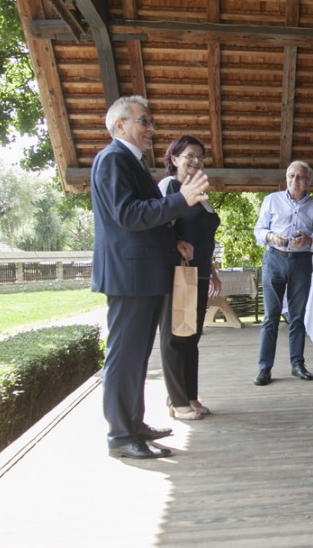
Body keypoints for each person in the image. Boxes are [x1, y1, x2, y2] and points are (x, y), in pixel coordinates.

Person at [91, 95, 209, 460]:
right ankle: (120, 435)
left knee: (138, 358)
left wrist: (176, 244)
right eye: (144, 121)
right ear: (120, 124)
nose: (151, 129)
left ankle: (134, 424)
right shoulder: (112, 159)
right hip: (129, 276)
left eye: (150, 122)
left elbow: (144, 220)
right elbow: (128, 214)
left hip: (143, 273)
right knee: (125, 357)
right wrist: (182, 199)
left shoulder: (131, 162)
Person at [157, 135, 221, 421]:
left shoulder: (199, 194)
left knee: (191, 336)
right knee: (175, 337)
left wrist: (213, 270)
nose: (195, 161)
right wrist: (175, 244)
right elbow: (156, 226)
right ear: (174, 160)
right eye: (188, 156)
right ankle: (176, 400)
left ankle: (191, 395)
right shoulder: (169, 187)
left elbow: (202, 236)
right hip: (177, 271)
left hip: (200, 272)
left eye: (199, 156)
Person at [252, 160, 313, 386]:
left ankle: (297, 364)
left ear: (308, 181)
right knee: (271, 317)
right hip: (274, 258)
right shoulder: (271, 200)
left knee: (297, 317)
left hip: (301, 261)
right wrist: (271, 237)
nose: (295, 180)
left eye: (300, 177)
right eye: (291, 176)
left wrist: (309, 240)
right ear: (286, 178)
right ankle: (264, 368)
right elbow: (259, 229)